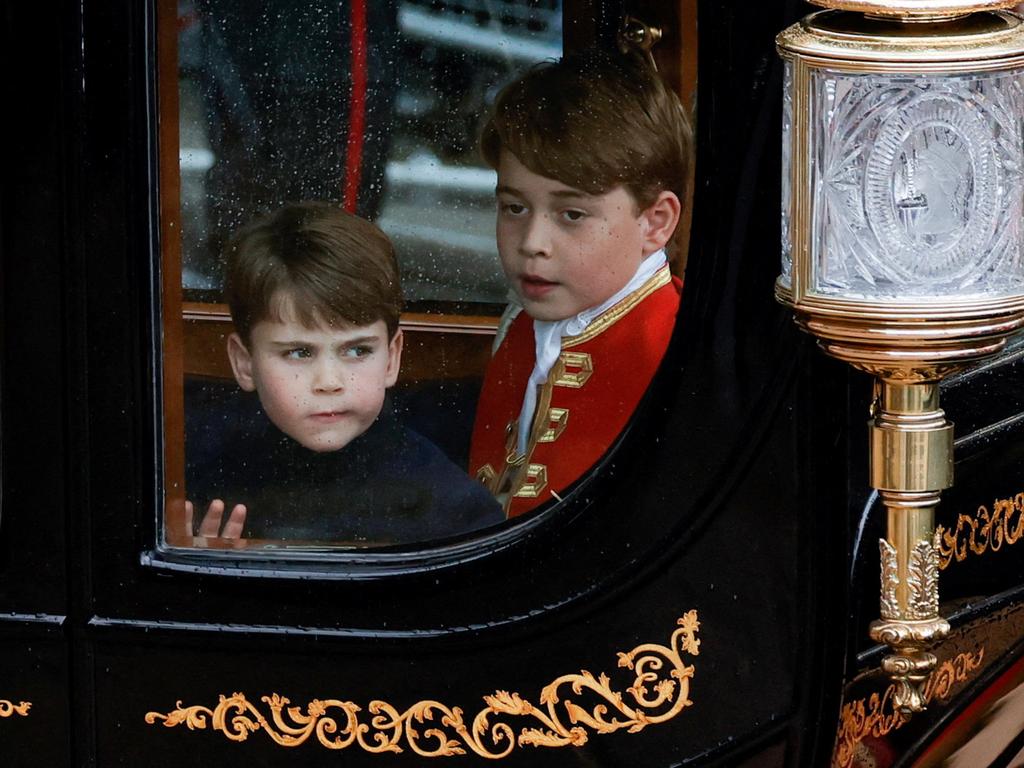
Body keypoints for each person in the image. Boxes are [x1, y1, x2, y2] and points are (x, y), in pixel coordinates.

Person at [186, 202, 503, 544]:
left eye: (357, 351)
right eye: (299, 352)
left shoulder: (456, 510)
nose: (329, 382)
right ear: (244, 363)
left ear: (392, 358)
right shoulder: (197, 489)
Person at [469, 49, 693, 518]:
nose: (533, 243)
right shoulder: (520, 324)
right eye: (514, 208)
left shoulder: (683, 357)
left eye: (572, 215)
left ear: (656, 222)